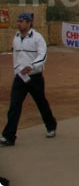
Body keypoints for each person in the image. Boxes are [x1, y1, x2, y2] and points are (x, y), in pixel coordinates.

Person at [1, 13, 57, 146]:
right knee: (14, 105)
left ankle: (51, 126)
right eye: (18, 21)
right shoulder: (16, 37)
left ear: (29, 23)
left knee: (41, 102)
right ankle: (9, 136)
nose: (18, 23)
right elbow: (16, 56)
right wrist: (17, 69)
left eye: (21, 21)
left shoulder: (38, 38)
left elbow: (42, 55)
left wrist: (31, 67)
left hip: (35, 78)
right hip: (20, 77)